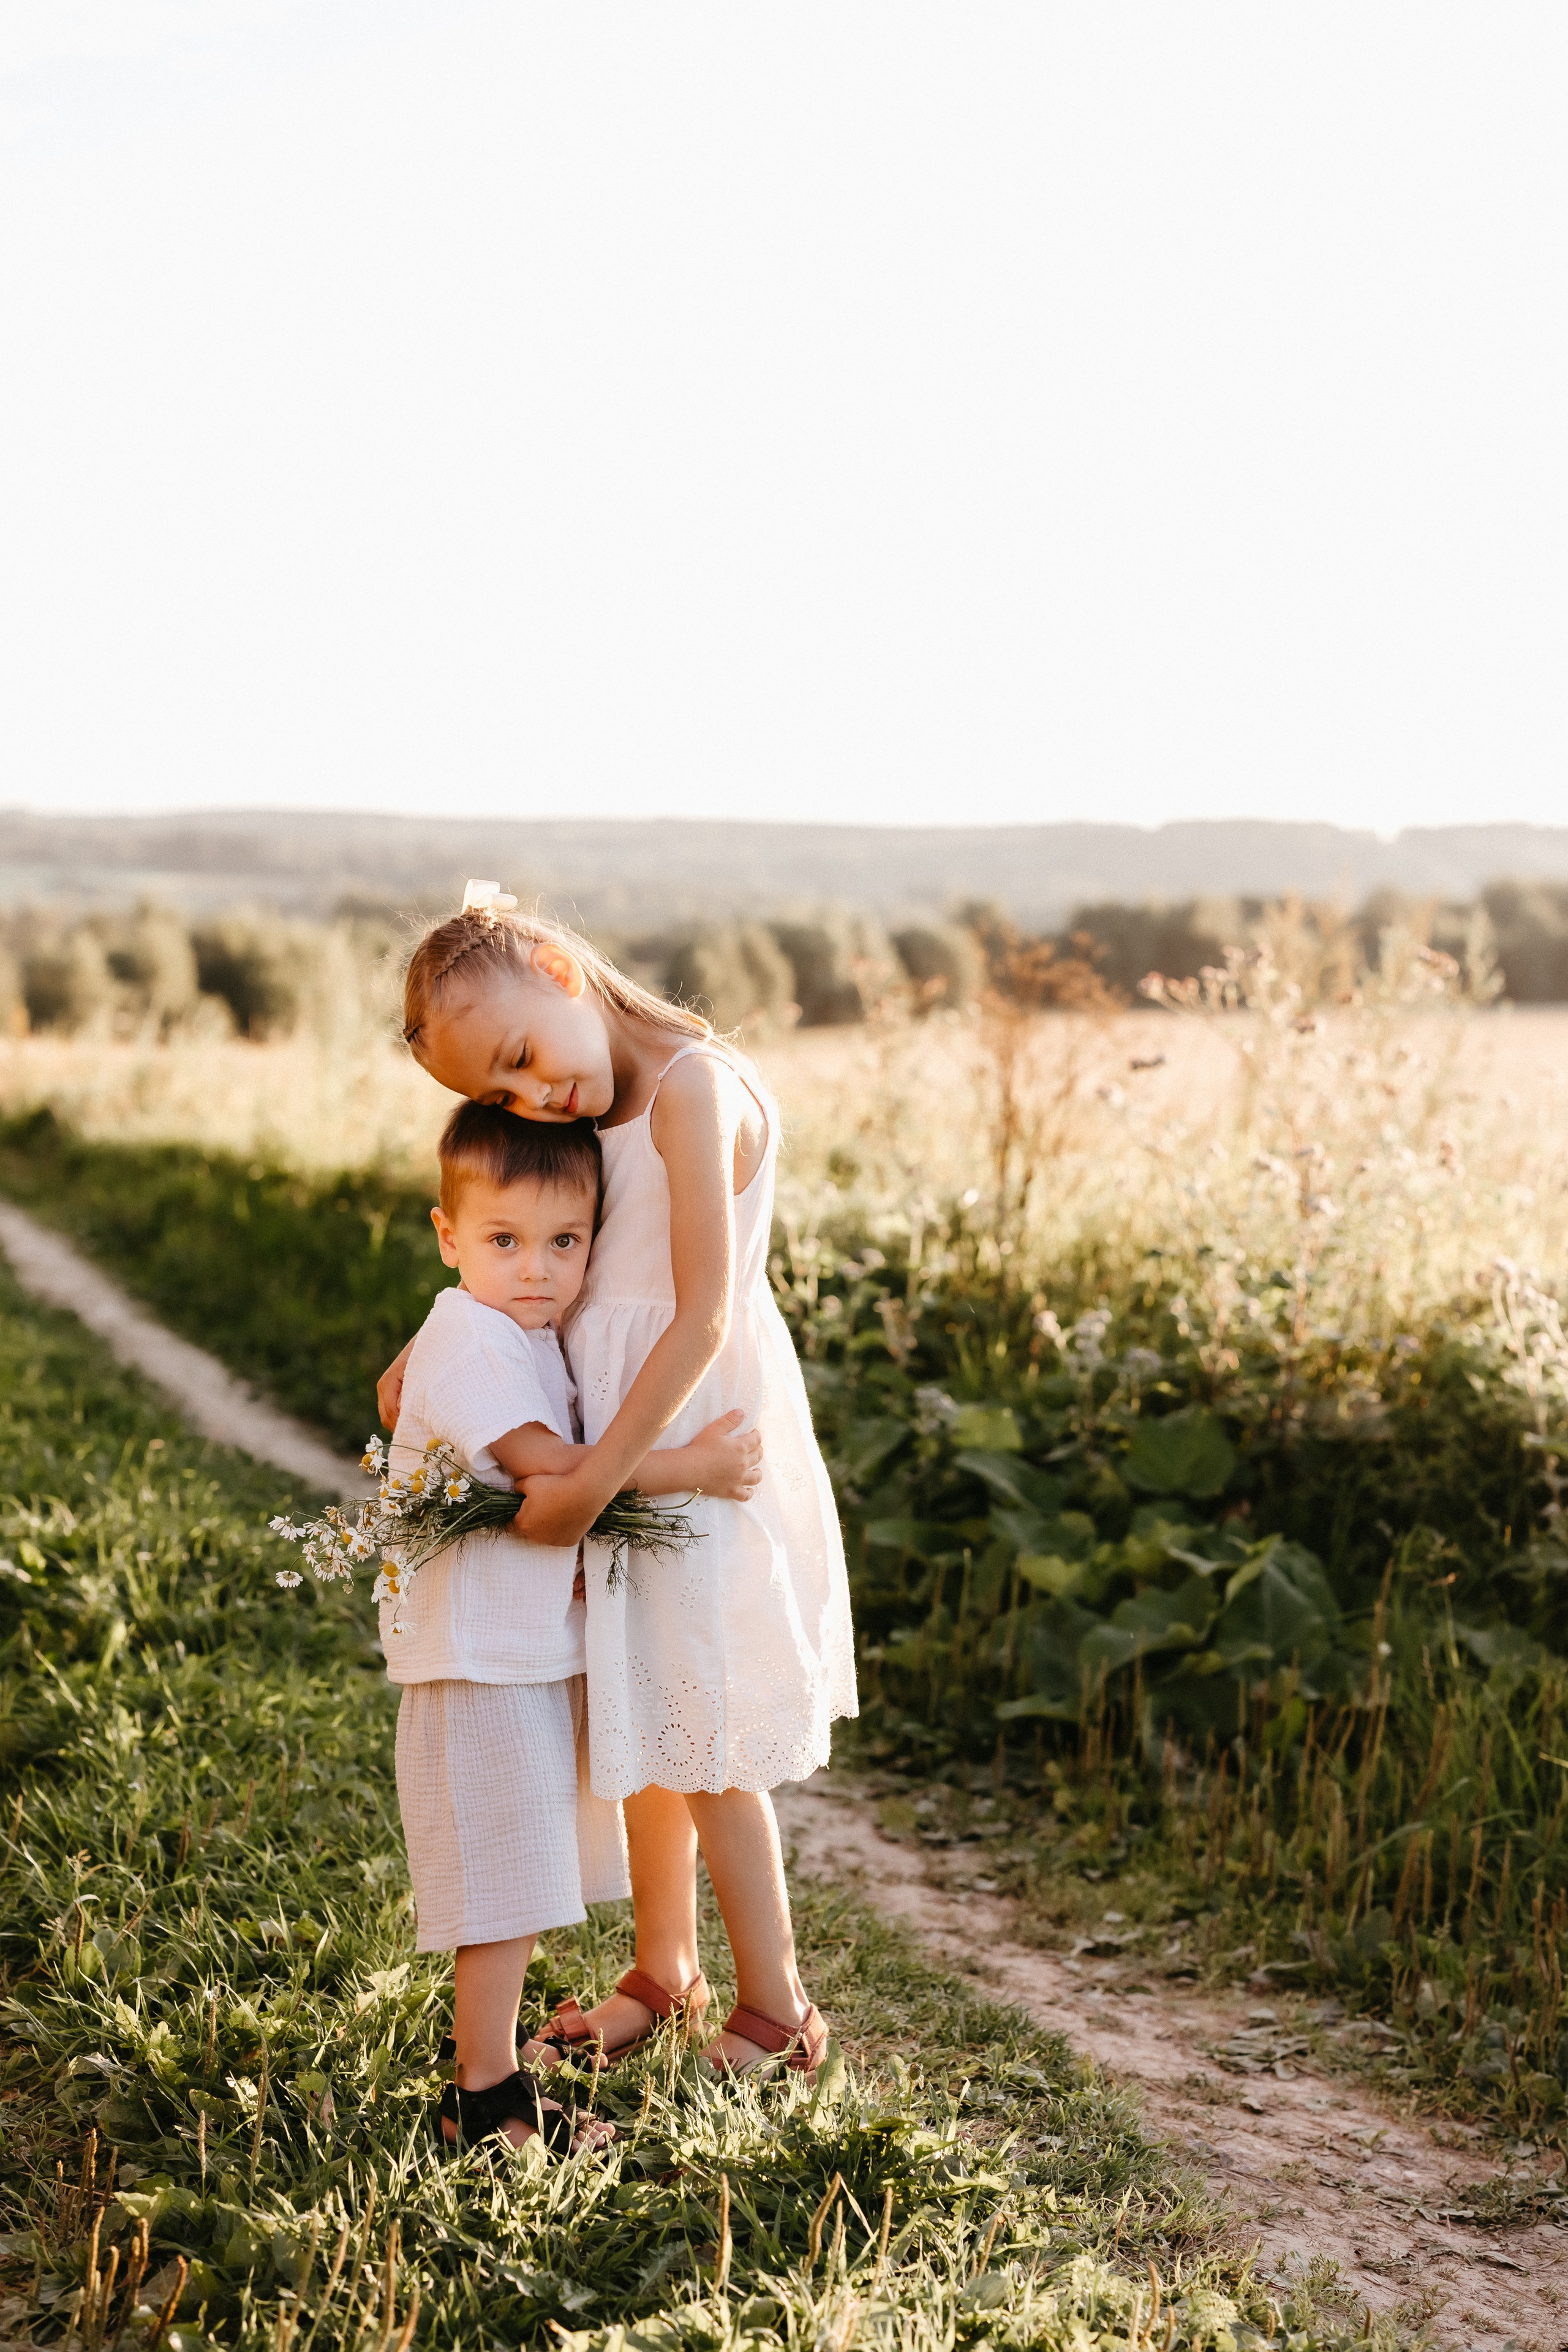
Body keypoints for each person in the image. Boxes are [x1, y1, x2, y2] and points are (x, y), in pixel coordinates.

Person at [380, 894, 857, 2075]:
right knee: (630, 1711)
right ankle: (664, 1967)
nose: (535, 1101)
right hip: (615, 1431)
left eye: (522, 1059)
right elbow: (552, 1253)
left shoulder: (694, 1088)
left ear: (559, 967)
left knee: (701, 1733)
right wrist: (435, 1342)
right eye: (501, 1098)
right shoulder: (596, 1100)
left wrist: (591, 1483)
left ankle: (779, 2008)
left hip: (684, 1434)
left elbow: (698, 1318)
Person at [386, 1098, 761, 2149]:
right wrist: (698, 1469)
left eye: (566, 1241)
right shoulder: (467, 1335)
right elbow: (557, 1473)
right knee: (499, 1890)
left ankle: (491, 2087)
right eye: (505, 1241)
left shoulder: (519, 1333)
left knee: (521, 1876)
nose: (540, 1268)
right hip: (475, 1662)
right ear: (449, 1236)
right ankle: (488, 2103)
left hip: (515, 1657)